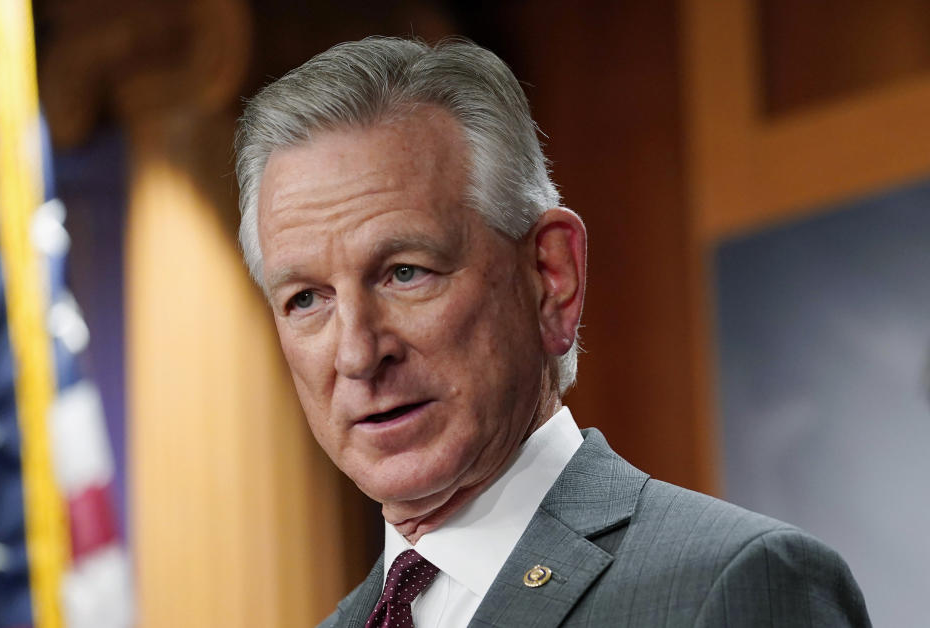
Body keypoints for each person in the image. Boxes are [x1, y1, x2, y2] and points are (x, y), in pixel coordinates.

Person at [235, 37, 870, 627]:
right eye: (307, 299)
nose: (357, 353)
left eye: (405, 272)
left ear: (550, 277)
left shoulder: (732, 587)